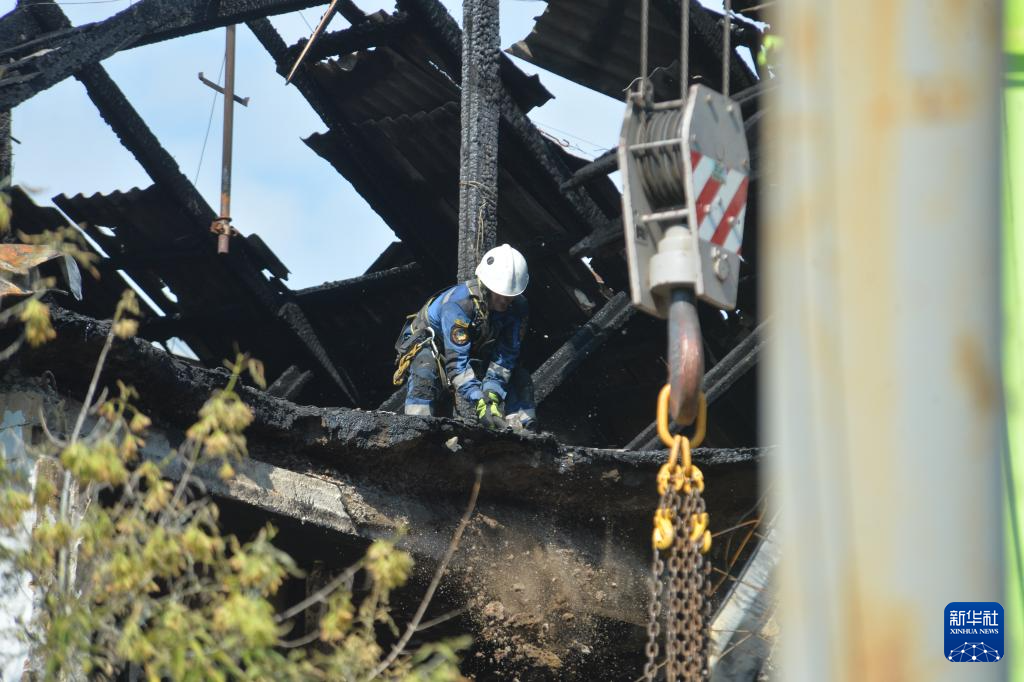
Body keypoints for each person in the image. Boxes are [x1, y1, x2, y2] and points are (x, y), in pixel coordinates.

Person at [392, 244, 537, 431]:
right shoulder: (458, 304)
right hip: (431, 345)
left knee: (520, 378)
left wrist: (492, 394)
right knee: (425, 368)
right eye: (501, 295)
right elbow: (456, 364)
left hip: (474, 348)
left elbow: (505, 356)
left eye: (511, 296)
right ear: (487, 286)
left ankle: (524, 431)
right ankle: (417, 430)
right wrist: (479, 400)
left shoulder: (517, 307)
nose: (506, 301)